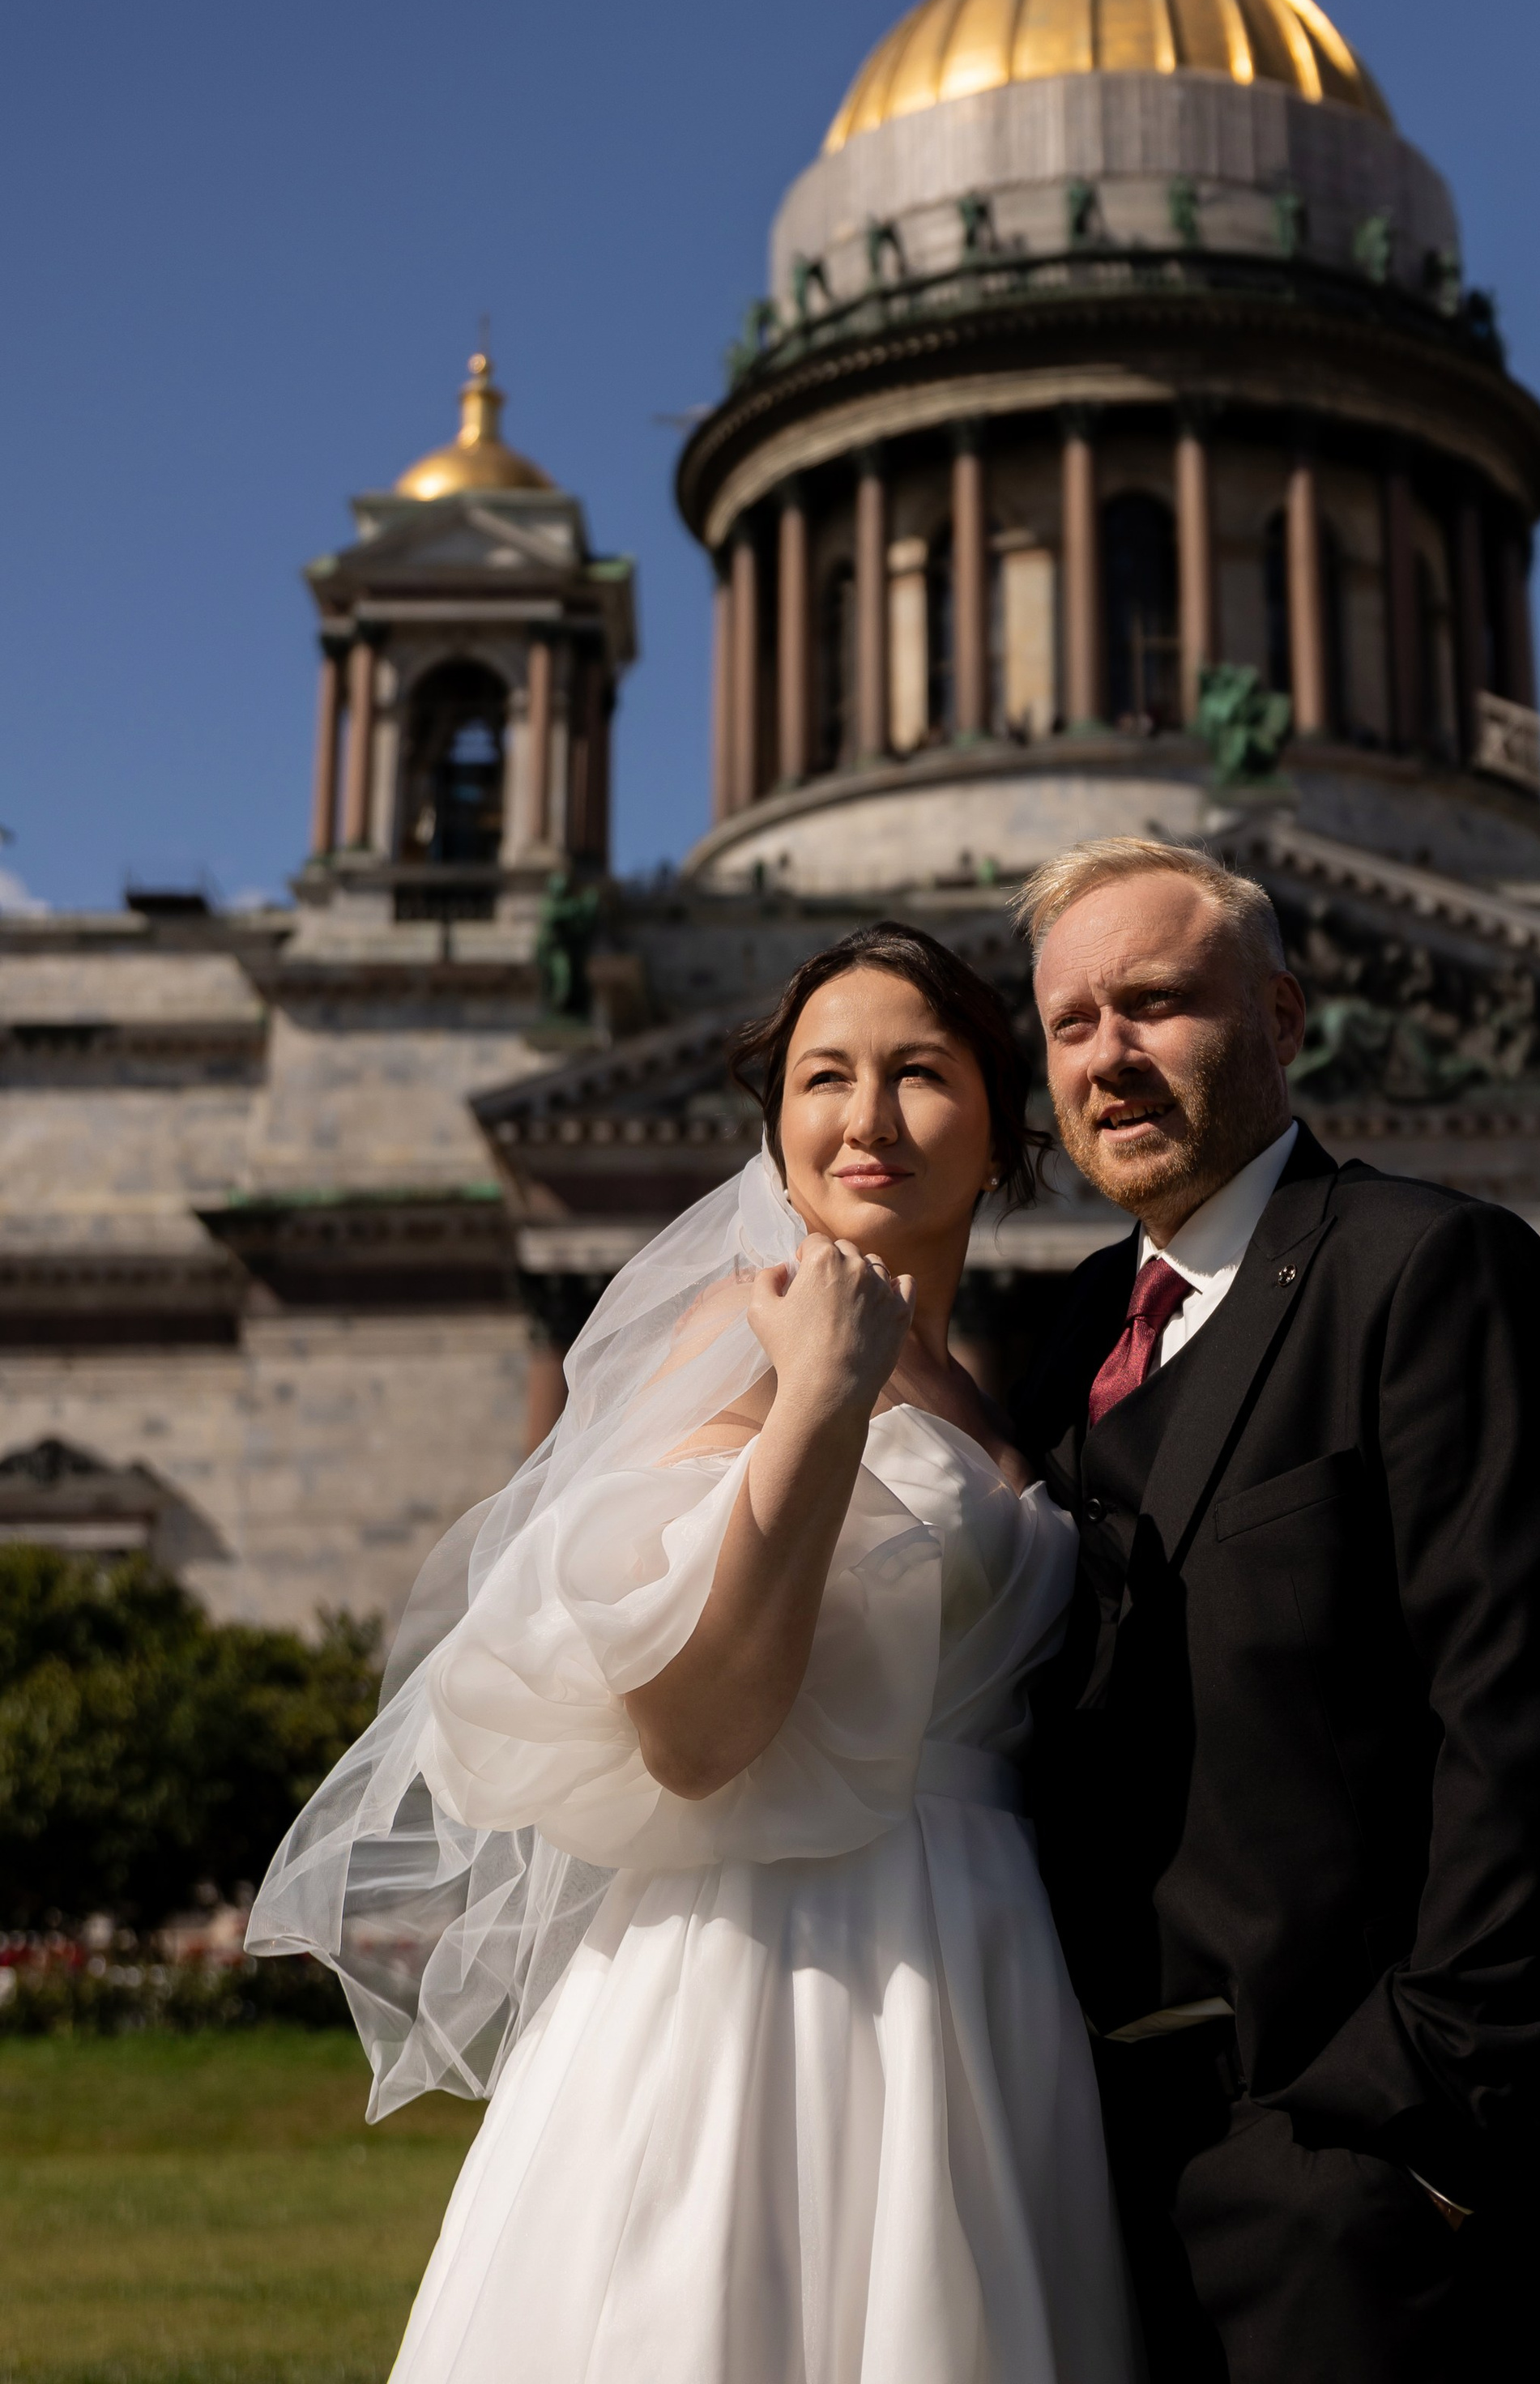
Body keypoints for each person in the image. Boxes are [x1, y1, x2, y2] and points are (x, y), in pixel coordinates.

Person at [248, 921, 1138, 2384]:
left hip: (983, 1969)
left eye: (917, 1074)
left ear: (998, 1131)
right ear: (775, 1134)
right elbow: (696, 1733)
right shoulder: (749, 1334)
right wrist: (820, 1400)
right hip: (775, 1971)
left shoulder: (989, 1397)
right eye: (820, 1079)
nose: (863, 1119)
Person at [1012, 837, 1540, 2383]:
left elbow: (1525, 1731)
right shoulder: (1075, 1321)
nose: (1110, 1058)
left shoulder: (1430, 1269)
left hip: (1356, 2181)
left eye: (1156, 1004)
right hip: (1087, 2171)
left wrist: (1419, 2136)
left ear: (1284, 1016)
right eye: (1071, 1024)